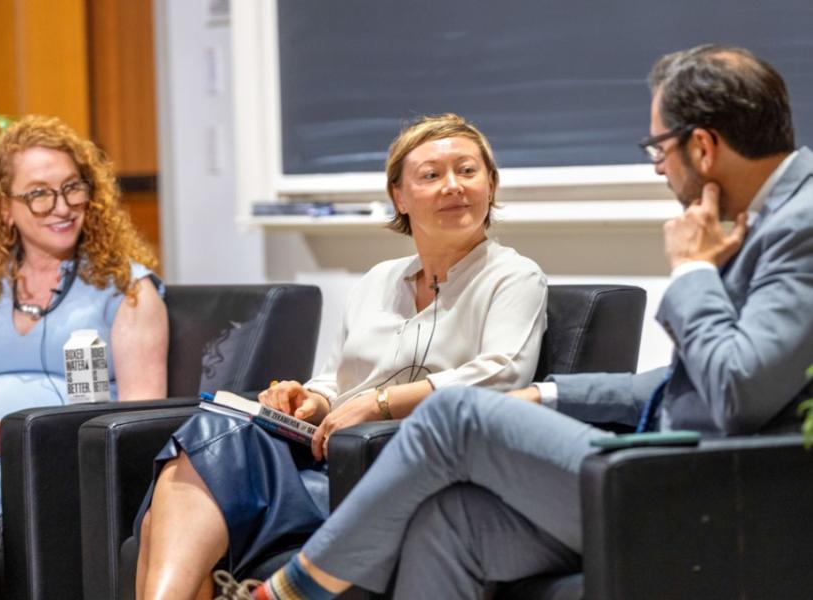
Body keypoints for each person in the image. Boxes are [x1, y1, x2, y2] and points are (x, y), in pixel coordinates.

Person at [230, 44, 813, 600]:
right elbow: (685, 381)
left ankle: (289, 591)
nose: (659, 168)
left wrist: (690, 270)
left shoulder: (800, 226)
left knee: (457, 413)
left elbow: (737, 388)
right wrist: (545, 393)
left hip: (719, 483)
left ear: (703, 147)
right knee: (450, 523)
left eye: (658, 149)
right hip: (674, 460)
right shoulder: (764, 218)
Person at [134, 113, 548, 600]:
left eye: (468, 170)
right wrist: (309, 399)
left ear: (490, 184)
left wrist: (380, 403)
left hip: (401, 469)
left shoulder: (513, 276)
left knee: (186, 492)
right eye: (432, 175)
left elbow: (502, 374)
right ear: (399, 197)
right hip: (330, 460)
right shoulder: (378, 280)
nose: (453, 186)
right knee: (208, 441)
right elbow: (336, 379)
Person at [0, 116, 168, 594]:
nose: (62, 206)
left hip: (45, 460)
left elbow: (140, 420)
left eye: (72, 188)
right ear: (4, 208)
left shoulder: (128, 290)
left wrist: (24, 436)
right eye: (39, 194)